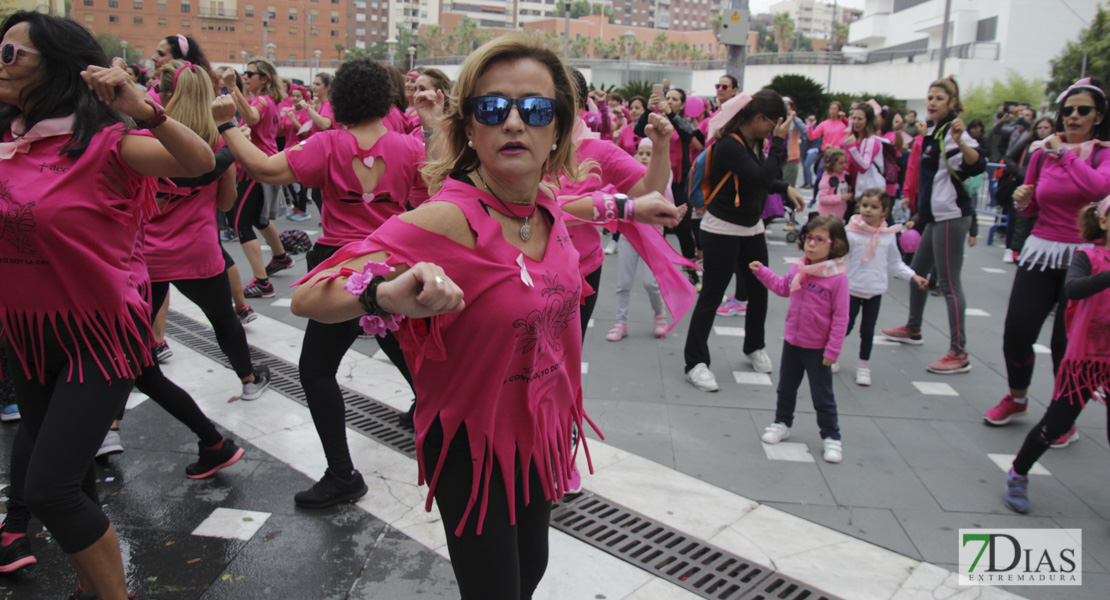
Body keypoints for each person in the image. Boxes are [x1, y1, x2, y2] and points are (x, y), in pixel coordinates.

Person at [289, 35, 684, 599]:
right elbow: (308, 295)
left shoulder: (542, 201)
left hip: (541, 431)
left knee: (531, 573)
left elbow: (578, 206)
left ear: (558, 130)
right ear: (470, 127)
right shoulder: (447, 216)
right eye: (494, 109)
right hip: (474, 448)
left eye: (537, 109)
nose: (515, 122)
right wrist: (385, 295)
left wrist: (626, 206)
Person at [0, 11, 214, 598]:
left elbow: (200, 164)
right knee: (74, 483)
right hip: (26, 335)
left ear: (57, 66)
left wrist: (144, 108)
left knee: (49, 490)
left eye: (11, 54)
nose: (0, 63)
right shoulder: (7, 144)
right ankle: (93, 586)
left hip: (99, 334)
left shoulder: (109, 144)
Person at [217, 57, 429, 508]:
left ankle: (342, 474)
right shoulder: (410, 149)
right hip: (392, 264)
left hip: (340, 270)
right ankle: (452, 440)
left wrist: (227, 126)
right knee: (414, 364)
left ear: (340, 98)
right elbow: (440, 196)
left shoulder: (327, 143)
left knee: (316, 371)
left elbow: (265, 169)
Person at [984, 78, 1110, 426]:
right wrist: (1024, 202)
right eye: (1067, 110)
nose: (1073, 116)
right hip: (1041, 249)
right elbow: (1034, 203)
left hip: (1087, 256)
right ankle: (1018, 398)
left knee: (1065, 345)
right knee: (1017, 332)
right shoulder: (1042, 151)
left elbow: (1099, 188)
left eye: (1083, 110)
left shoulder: (1103, 153)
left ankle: (1061, 419)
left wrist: (1064, 153)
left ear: (1098, 116)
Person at [683, 90, 806, 390]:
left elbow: (757, 177)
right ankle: (695, 363)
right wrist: (779, 145)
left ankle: (754, 346)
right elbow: (760, 177)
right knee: (711, 296)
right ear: (759, 118)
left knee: (759, 292)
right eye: (773, 124)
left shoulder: (755, 143)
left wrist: (783, 186)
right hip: (722, 229)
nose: (774, 131)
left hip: (752, 229)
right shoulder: (729, 145)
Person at [1003, 199, 1110, 513]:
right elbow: (1074, 289)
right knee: (1056, 424)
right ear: (1103, 223)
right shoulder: (1087, 256)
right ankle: (1018, 473)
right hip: (1085, 360)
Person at [881, 76, 985, 374]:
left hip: (952, 215)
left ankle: (959, 352)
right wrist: (920, 214)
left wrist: (963, 138)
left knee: (950, 284)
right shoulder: (935, 131)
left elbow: (976, 163)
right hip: (935, 215)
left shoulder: (954, 132)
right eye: (930, 97)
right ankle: (913, 328)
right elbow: (928, 180)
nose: (932, 102)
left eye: (939, 98)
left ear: (952, 102)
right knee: (917, 272)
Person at [749, 214, 850, 463]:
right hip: (792, 341)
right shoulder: (800, 268)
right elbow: (783, 288)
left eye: (819, 239)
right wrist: (762, 272)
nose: (811, 244)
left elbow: (841, 318)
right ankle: (782, 423)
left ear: (834, 244)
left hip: (817, 348)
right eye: (808, 238)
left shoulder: (837, 278)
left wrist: (832, 351)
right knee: (785, 388)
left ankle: (831, 436)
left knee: (822, 395)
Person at [220, 58, 293, 299]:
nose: (246, 77)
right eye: (245, 73)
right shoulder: (264, 100)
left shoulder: (262, 100)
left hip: (256, 168)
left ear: (264, 79)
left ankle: (262, 282)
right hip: (261, 165)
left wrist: (232, 88)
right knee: (258, 220)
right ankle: (281, 257)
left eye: (250, 73)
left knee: (241, 223)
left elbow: (251, 118)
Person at [842, 189, 929, 385]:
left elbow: (895, 263)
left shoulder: (888, 236)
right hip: (851, 289)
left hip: (875, 291)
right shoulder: (850, 233)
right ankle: (833, 354)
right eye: (865, 205)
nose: (868, 210)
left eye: (874, 207)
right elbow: (840, 259)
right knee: (844, 327)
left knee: (867, 331)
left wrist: (913, 276)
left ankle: (863, 365)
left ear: (884, 211)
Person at [634, 86, 705, 286]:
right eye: (669, 98)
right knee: (653, 223)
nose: (670, 101)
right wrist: (648, 110)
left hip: (678, 183)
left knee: (682, 227)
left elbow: (688, 133)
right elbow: (638, 131)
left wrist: (671, 114)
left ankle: (691, 272)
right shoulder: (654, 119)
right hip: (656, 181)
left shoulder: (683, 122)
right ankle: (659, 273)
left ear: (682, 104)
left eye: (675, 99)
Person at [606, 136, 671, 342]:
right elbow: (616, 201)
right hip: (629, 238)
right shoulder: (628, 178)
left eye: (649, 154)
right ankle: (620, 322)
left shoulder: (663, 180)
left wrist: (675, 213)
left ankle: (660, 314)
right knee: (623, 283)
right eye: (641, 153)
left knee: (651, 283)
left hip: (653, 239)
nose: (643, 157)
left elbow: (668, 208)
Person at [999, 116, 1054, 260]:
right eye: (1039, 128)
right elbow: (1009, 157)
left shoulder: (1059, 146)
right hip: (1024, 186)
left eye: (1046, 128)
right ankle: (1011, 250)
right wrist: (1020, 172)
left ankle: (1029, 251)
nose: (1042, 131)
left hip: (1044, 188)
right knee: (1017, 219)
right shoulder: (1028, 143)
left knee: (1036, 220)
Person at [842, 101, 887, 215]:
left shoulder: (872, 141)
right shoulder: (855, 138)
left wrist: (852, 147)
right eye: (854, 118)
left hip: (871, 193)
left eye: (860, 119)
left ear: (868, 120)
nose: (856, 122)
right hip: (858, 191)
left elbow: (864, 166)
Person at [817, 147, 852, 219]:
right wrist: (841, 197)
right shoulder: (827, 178)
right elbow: (823, 198)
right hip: (826, 216)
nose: (844, 165)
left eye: (845, 162)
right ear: (831, 164)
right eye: (840, 163)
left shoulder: (846, 175)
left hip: (839, 215)